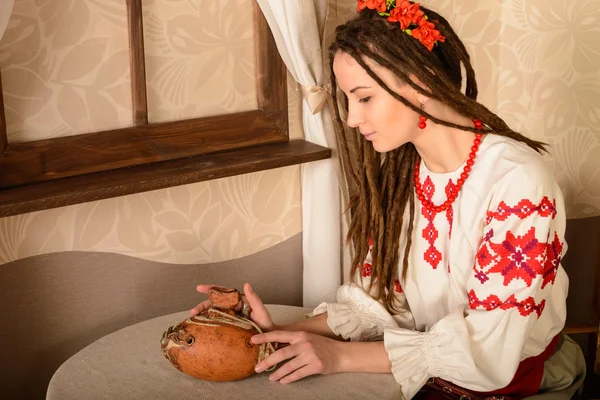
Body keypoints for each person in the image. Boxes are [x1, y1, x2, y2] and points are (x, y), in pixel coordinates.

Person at [191, 1, 586, 399]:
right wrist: (270, 331)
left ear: (422, 81)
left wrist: (340, 357)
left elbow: (488, 348)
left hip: (520, 384)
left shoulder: (517, 180)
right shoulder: (402, 172)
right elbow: (380, 305)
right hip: (433, 376)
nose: (350, 119)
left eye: (363, 98)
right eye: (347, 99)